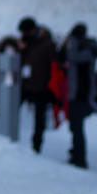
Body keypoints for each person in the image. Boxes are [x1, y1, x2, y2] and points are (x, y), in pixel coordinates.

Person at [59, 24, 97, 169]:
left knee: (77, 127)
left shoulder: (89, 49)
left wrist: (74, 43)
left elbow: (74, 57)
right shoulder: (82, 48)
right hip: (74, 93)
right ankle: (75, 153)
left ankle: (80, 158)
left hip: (81, 95)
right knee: (73, 126)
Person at [17, 17, 57, 153]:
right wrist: (21, 49)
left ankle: (36, 147)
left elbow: (53, 66)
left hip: (41, 87)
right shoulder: (26, 42)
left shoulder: (48, 44)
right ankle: (9, 141)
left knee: (39, 119)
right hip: (26, 84)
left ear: (34, 30)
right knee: (12, 107)